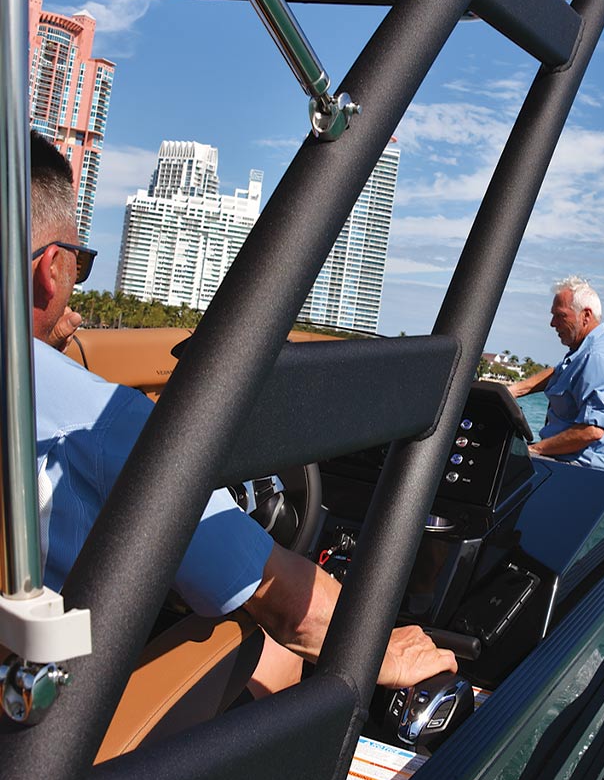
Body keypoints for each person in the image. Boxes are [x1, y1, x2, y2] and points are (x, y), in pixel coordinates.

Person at [29, 131, 455, 690]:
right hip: (39, 734)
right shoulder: (103, 422)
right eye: (80, 265)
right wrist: (388, 651)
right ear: (52, 269)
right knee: (268, 650)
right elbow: (282, 601)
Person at [508, 276, 604, 472]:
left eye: (560, 316)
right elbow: (560, 371)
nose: (552, 323)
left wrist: (533, 450)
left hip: (584, 468)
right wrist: (512, 391)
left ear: (586, 315)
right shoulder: (596, 344)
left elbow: (590, 431)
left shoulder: (600, 358)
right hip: (569, 459)